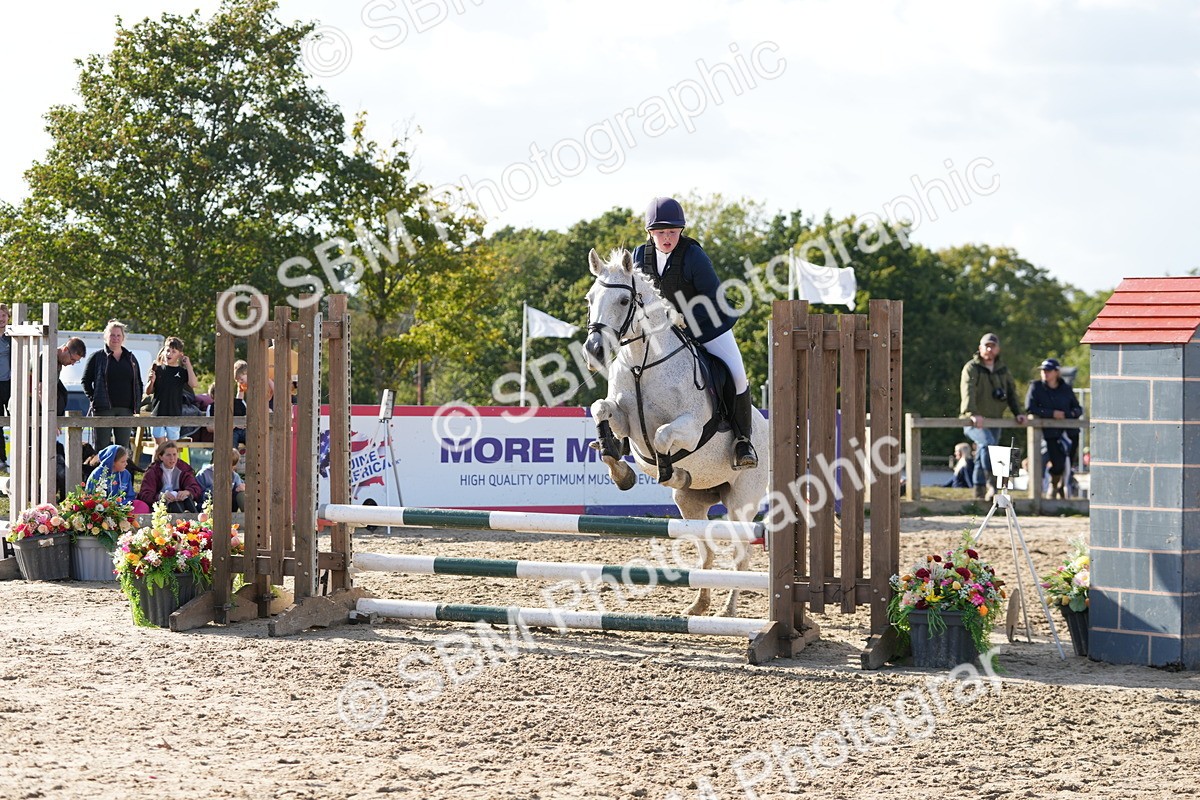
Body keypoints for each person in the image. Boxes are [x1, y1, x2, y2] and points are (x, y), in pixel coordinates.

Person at [631, 196, 757, 469]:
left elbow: (712, 297)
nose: (667, 238)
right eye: (661, 232)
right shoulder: (640, 256)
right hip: (663, 331)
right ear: (650, 232)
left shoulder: (693, 256)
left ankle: (743, 442)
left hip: (709, 324)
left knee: (737, 375)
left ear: (681, 231)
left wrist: (683, 320)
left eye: (673, 232)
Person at [960, 332, 1026, 500]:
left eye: (993, 346)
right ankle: (992, 484)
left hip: (995, 419)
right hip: (972, 420)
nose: (989, 349)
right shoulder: (971, 367)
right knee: (988, 445)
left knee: (984, 450)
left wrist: (1019, 413)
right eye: (986, 346)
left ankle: (978, 490)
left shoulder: (1002, 370)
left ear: (998, 349)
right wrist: (973, 413)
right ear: (980, 348)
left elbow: (1011, 392)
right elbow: (968, 391)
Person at [82, 320, 144, 452]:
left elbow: (138, 383)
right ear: (106, 336)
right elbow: (85, 381)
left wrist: (137, 405)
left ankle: (122, 473)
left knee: (123, 449)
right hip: (104, 409)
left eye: (118, 335)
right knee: (102, 448)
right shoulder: (97, 357)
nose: (115, 338)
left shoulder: (131, 358)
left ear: (123, 338)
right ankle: (103, 473)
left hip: (126, 410)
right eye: (112, 335)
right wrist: (94, 398)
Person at [1025, 357, 1083, 499]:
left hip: (1069, 433)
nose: (1045, 373)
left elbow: (1077, 409)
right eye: (1043, 371)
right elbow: (1030, 407)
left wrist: (1068, 414)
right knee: (1056, 462)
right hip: (1049, 433)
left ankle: (1063, 487)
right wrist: (1051, 414)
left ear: (1056, 372)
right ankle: (1053, 485)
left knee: (1068, 462)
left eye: (1049, 370)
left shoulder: (1066, 388)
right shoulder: (1036, 387)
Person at [145, 336, 199, 444]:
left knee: (172, 446)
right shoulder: (157, 369)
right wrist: (152, 381)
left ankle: (172, 461)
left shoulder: (182, 372)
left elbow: (193, 384)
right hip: (158, 413)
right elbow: (148, 391)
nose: (169, 354)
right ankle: (156, 461)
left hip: (174, 414)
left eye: (173, 351)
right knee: (159, 446)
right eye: (168, 350)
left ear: (180, 354)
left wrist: (188, 365)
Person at [136, 440, 203, 513]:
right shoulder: (153, 471)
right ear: (161, 457)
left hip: (181, 501)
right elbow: (145, 494)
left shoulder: (183, 468)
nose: (172, 458)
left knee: (188, 501)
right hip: (160, 505)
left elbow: (195, 488)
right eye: (168, 455)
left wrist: (187, 492)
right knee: (175, 506)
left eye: (174, 454)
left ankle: (195, 522)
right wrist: (161, 497)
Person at [84, 444, 151, 513]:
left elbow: (130, 496)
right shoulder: (97, 474)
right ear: (112, 462)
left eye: (126, 461)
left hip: (122, 508)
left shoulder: (126, 474)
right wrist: (107, 505)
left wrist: (121, 504)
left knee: (142, 506)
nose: (126, 464)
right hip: (101, 510)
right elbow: (89, 496)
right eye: (122, 461)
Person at [196, 447, 247, 512]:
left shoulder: (234, 475)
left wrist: (240, 488)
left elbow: (240, 487)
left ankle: (247, 516)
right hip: (209, 506)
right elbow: (199, 495)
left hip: (228, 506)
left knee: (241, 494)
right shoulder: (204, 474)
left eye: (232, 466)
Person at [0, 304, 10, 471]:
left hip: (10, 383)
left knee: (17, 419)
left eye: (3, 316)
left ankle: (19, 458)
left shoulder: (11, 337)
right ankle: (2, 458)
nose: (1, 320)